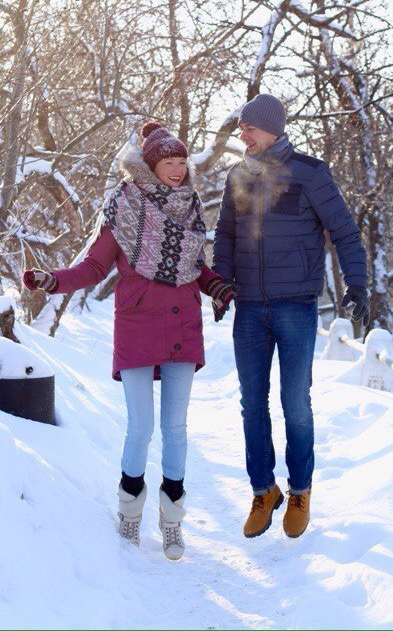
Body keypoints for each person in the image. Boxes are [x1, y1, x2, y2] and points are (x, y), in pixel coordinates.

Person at [23, 122, 235, 559]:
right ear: (150, 166)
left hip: (182, 328)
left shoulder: (191, 206)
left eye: (181, 162)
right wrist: (52, 280)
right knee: (141, 427)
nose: (177, 170)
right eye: (168, 163)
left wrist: (216, 287)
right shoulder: (123, 207)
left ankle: (172, 522)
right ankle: (130, 511)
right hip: (137, 326)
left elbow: (198, 266)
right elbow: (92, 268)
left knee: (176, 428)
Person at [213, 93, 369, 539]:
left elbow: (344, 232)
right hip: (248, 307)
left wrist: (357, 283)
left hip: (296, 306)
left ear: (273, 130)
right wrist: (221, 285)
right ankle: (264, 490)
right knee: (251, 404)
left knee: (295, 403)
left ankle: (300, 490)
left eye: (250, 129)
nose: (243, 135)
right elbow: (225, 235)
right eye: (241, 128)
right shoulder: (238, 175)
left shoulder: (309, 173)